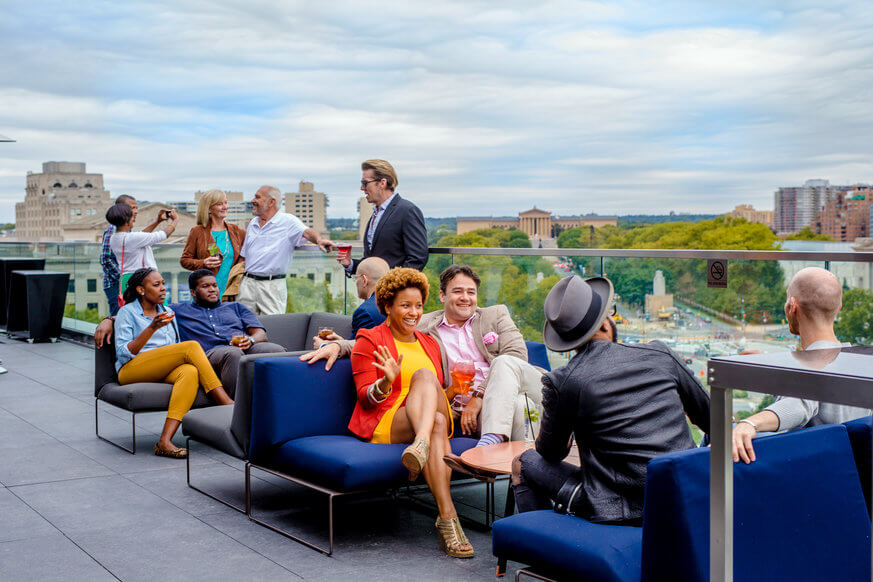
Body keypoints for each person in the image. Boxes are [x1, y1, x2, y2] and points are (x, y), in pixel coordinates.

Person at [511, 275, 710, 525]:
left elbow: (550, 453)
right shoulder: (661, 353)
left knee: (522, 462)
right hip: (684, 493)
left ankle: (540, 553)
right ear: (605, 324)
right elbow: (713, 418)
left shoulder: (563, 380)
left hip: (621, 510)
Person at [302, 264, 543, 451]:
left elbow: (518, 357)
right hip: (478, 413)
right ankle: (523, 484)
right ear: (441, 295)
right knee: (523, 409)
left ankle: (490, 442)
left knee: (504, 363)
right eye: (457, 291)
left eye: (471, 292)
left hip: (513, 387)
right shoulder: (425, 323)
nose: (465, 298)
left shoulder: (496, 315)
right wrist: (339, 346)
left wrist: (479, 397)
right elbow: (382, 335)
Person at [349, 268, 474, 558]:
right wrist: (385, 382)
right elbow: (365, 397)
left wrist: (454, 391)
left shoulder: (429, 342)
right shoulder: (369, 339)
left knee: (427, 383)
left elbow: (435, 395)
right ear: (387, 307)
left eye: (418, 306)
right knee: (438, 421)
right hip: (389, 419)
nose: (413, 313)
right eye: (405, 305)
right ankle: (448, 518)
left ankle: (421, 445)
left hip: (421, 417)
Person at [732, 267, 869, 464]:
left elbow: (799, 403)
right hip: (847, 472)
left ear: (792, 306)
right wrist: (776, 369)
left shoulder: (808, 370)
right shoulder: (860, 364)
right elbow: (819, 388)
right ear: (838, 307)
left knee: (718, 436)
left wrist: (749, 423)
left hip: (805, 471)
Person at [95, 269, 286, 396]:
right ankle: (234, 408)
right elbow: (144, 311)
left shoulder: (236, 307)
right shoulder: (178, 310)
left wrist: (251, 340)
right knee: (231, 353)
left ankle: (281, 400)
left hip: (243, 347)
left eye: (214, 286)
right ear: (193, 292)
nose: (212, 290)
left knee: (274, 349)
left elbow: (260, 333)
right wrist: (108, 320)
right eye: (205, 286)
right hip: (211, 354)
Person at [114, 268, 234, 458]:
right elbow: (123, 354)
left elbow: (172, 346)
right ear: (141, 290)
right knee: (190, 347)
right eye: (156, 285)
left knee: (189, 372)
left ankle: (164, 441)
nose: (163, 288)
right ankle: (225, 401)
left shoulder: (168, 312)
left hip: (160, 369)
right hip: (131, 369)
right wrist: (152, 327)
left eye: (163, 283)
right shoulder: (127, 312)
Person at [238, 185, 335, 315]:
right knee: (244, 326)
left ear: (271, 202)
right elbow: (244, 255)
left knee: (273, 328)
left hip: (272, 286)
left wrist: (319, 240)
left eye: (257, 197)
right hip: (247, 285)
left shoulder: (287, 221)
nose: (253, 200)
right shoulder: (252, 223)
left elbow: (307, 232)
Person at [338, 159, 428, 275]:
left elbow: (417, 259)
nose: (362, 188)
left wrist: (392, 285)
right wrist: (349, 264)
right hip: (374, 291)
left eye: (365, 183)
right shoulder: (376, 215)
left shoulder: (407, 211)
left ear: (382, 183)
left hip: (395, 291)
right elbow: (371, 263)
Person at [298, 256, 388, 371]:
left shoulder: (365, 311)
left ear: (364, 280)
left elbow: (360, 351)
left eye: (356, 278)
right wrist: (341, 342)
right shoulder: (395, 304)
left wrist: (323, 346)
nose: (356, 283)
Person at [100, 195, 162, 316]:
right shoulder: (114, 229)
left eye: (136, 207)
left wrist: (158, 222)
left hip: (125, 282)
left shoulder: (126, 228)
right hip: (116, 284)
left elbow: (142, 237)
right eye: (132, 207)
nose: (135, 211)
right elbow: (106, 258)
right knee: (119, 317)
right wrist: (123, 279)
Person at [180, 189, 246, 299]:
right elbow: (185, 261)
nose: (225, 207)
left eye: (226, 202)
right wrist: (203, 263)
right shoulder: (197, 231)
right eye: (220, 204)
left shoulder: (236, 231)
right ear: (209, 209)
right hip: (206, 292)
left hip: (231, 291)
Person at [107, 203, 178, 294]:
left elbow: (142, 237)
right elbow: (163, 235)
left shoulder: (114, 238)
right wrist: (175, 220)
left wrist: (157, 222)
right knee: (155, 307)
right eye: (132, 218)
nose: (134, 219)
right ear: (126, 220)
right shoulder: (132, 238)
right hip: (143, 279)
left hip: (126, 279)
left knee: (132, 307)